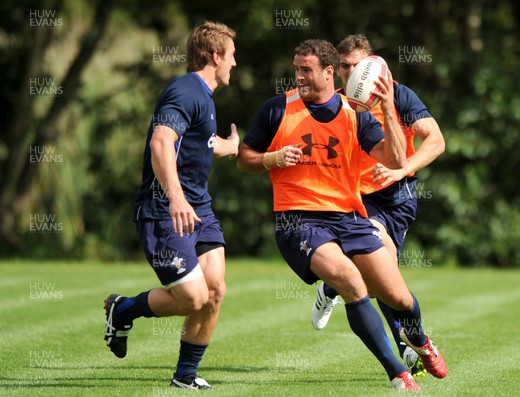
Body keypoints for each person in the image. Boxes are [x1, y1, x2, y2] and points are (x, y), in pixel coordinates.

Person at [237, 38, 446, 391]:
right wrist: (272, 159)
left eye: (306, 70)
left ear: (327, 72)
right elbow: (245, 158)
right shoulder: (277, 109)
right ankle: (399, 373)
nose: (299, 77)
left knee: (398, 297)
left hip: (349, 216)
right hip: (298, 219)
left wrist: (389, 106)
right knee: (351, 280)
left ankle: (420, 341)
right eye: (296, 69)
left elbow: (395, 160)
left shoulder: (356, 113)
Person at [103, 21, 238, 390]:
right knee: (193, 297)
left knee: (215, 291)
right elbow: (161, 142)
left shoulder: (204, 98)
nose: (235, 64)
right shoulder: (185, 90)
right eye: (232, 56)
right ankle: (124, 309)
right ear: (215, 56)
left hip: (201, 210)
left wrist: (234, 146)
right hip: (164, 210)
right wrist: (176, 197)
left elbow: (204, 145)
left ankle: (185, 376)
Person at [311, 34, 446, 378]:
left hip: (397, 198)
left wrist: (404, 168)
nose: (350, 72)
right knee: (381, 269)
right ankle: (406, 350)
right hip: (357, 198)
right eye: (344, 66)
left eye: (357, 65)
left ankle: (331, 286)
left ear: (373, 65)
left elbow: (437, 139)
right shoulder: (336, 103)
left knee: (383, 281)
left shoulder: (399, 95)